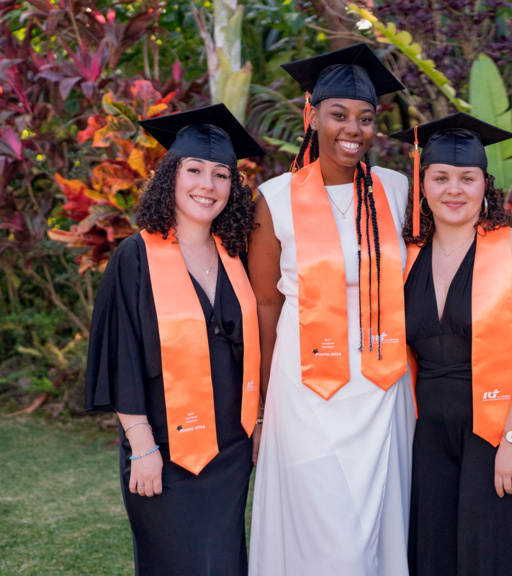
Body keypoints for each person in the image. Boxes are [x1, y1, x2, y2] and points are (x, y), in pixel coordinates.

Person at [247, 44, 415, 576]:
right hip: (306, 386)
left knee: (378, 527)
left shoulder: (396, 189)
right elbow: (266, 304)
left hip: (382, 385)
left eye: (365, 118)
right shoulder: (274, 198)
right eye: (339, 114)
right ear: (313, 116)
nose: (353, 129)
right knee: (328, 532)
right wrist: (264, 404)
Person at [85, 103, 265, 575]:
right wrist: (142, 446)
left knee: (223, 564)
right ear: (171, 176)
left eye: (221, 174)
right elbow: (120, 356)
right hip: (164, 449)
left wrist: (259, 422)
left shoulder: (236, 256)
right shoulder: (135, 257)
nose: (208, 184)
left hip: (230, 450)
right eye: (194, 170)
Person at [392, 113, 512, 576]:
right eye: (441, 177)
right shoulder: (406, 256)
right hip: (427, 435)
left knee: (493, 556)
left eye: (467, 178)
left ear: (485, 185)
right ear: (423, 184)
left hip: (497, 427)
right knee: (432, 556)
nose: (454, 190)